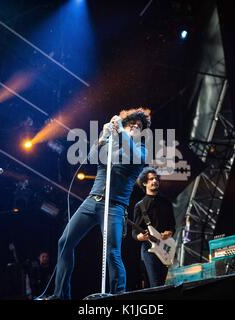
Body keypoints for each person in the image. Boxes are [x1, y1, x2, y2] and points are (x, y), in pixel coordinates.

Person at [38, 108, 151, 300]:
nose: (135, 127)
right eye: (131, 124)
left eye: (138, 126)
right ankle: (60, 295)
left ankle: (118, 295)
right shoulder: (111, 146)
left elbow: (131, 152)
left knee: (112, 253)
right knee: (65, 242)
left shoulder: (140, 151)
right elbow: (91, 158)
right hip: (92, 201)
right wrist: (104, 135)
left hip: (114, 207)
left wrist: (121, 131)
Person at [132, 167, 175, 288]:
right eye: (151, 179)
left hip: (165, 246)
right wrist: (140, 236)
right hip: (149, 249)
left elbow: (172, 225)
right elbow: (134, 232)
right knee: (155, 284)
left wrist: (170, 232)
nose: (155, 181)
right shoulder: (140, 206)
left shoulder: (166, 202)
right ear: (144, 183)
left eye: (156, 178)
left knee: (163, 283)